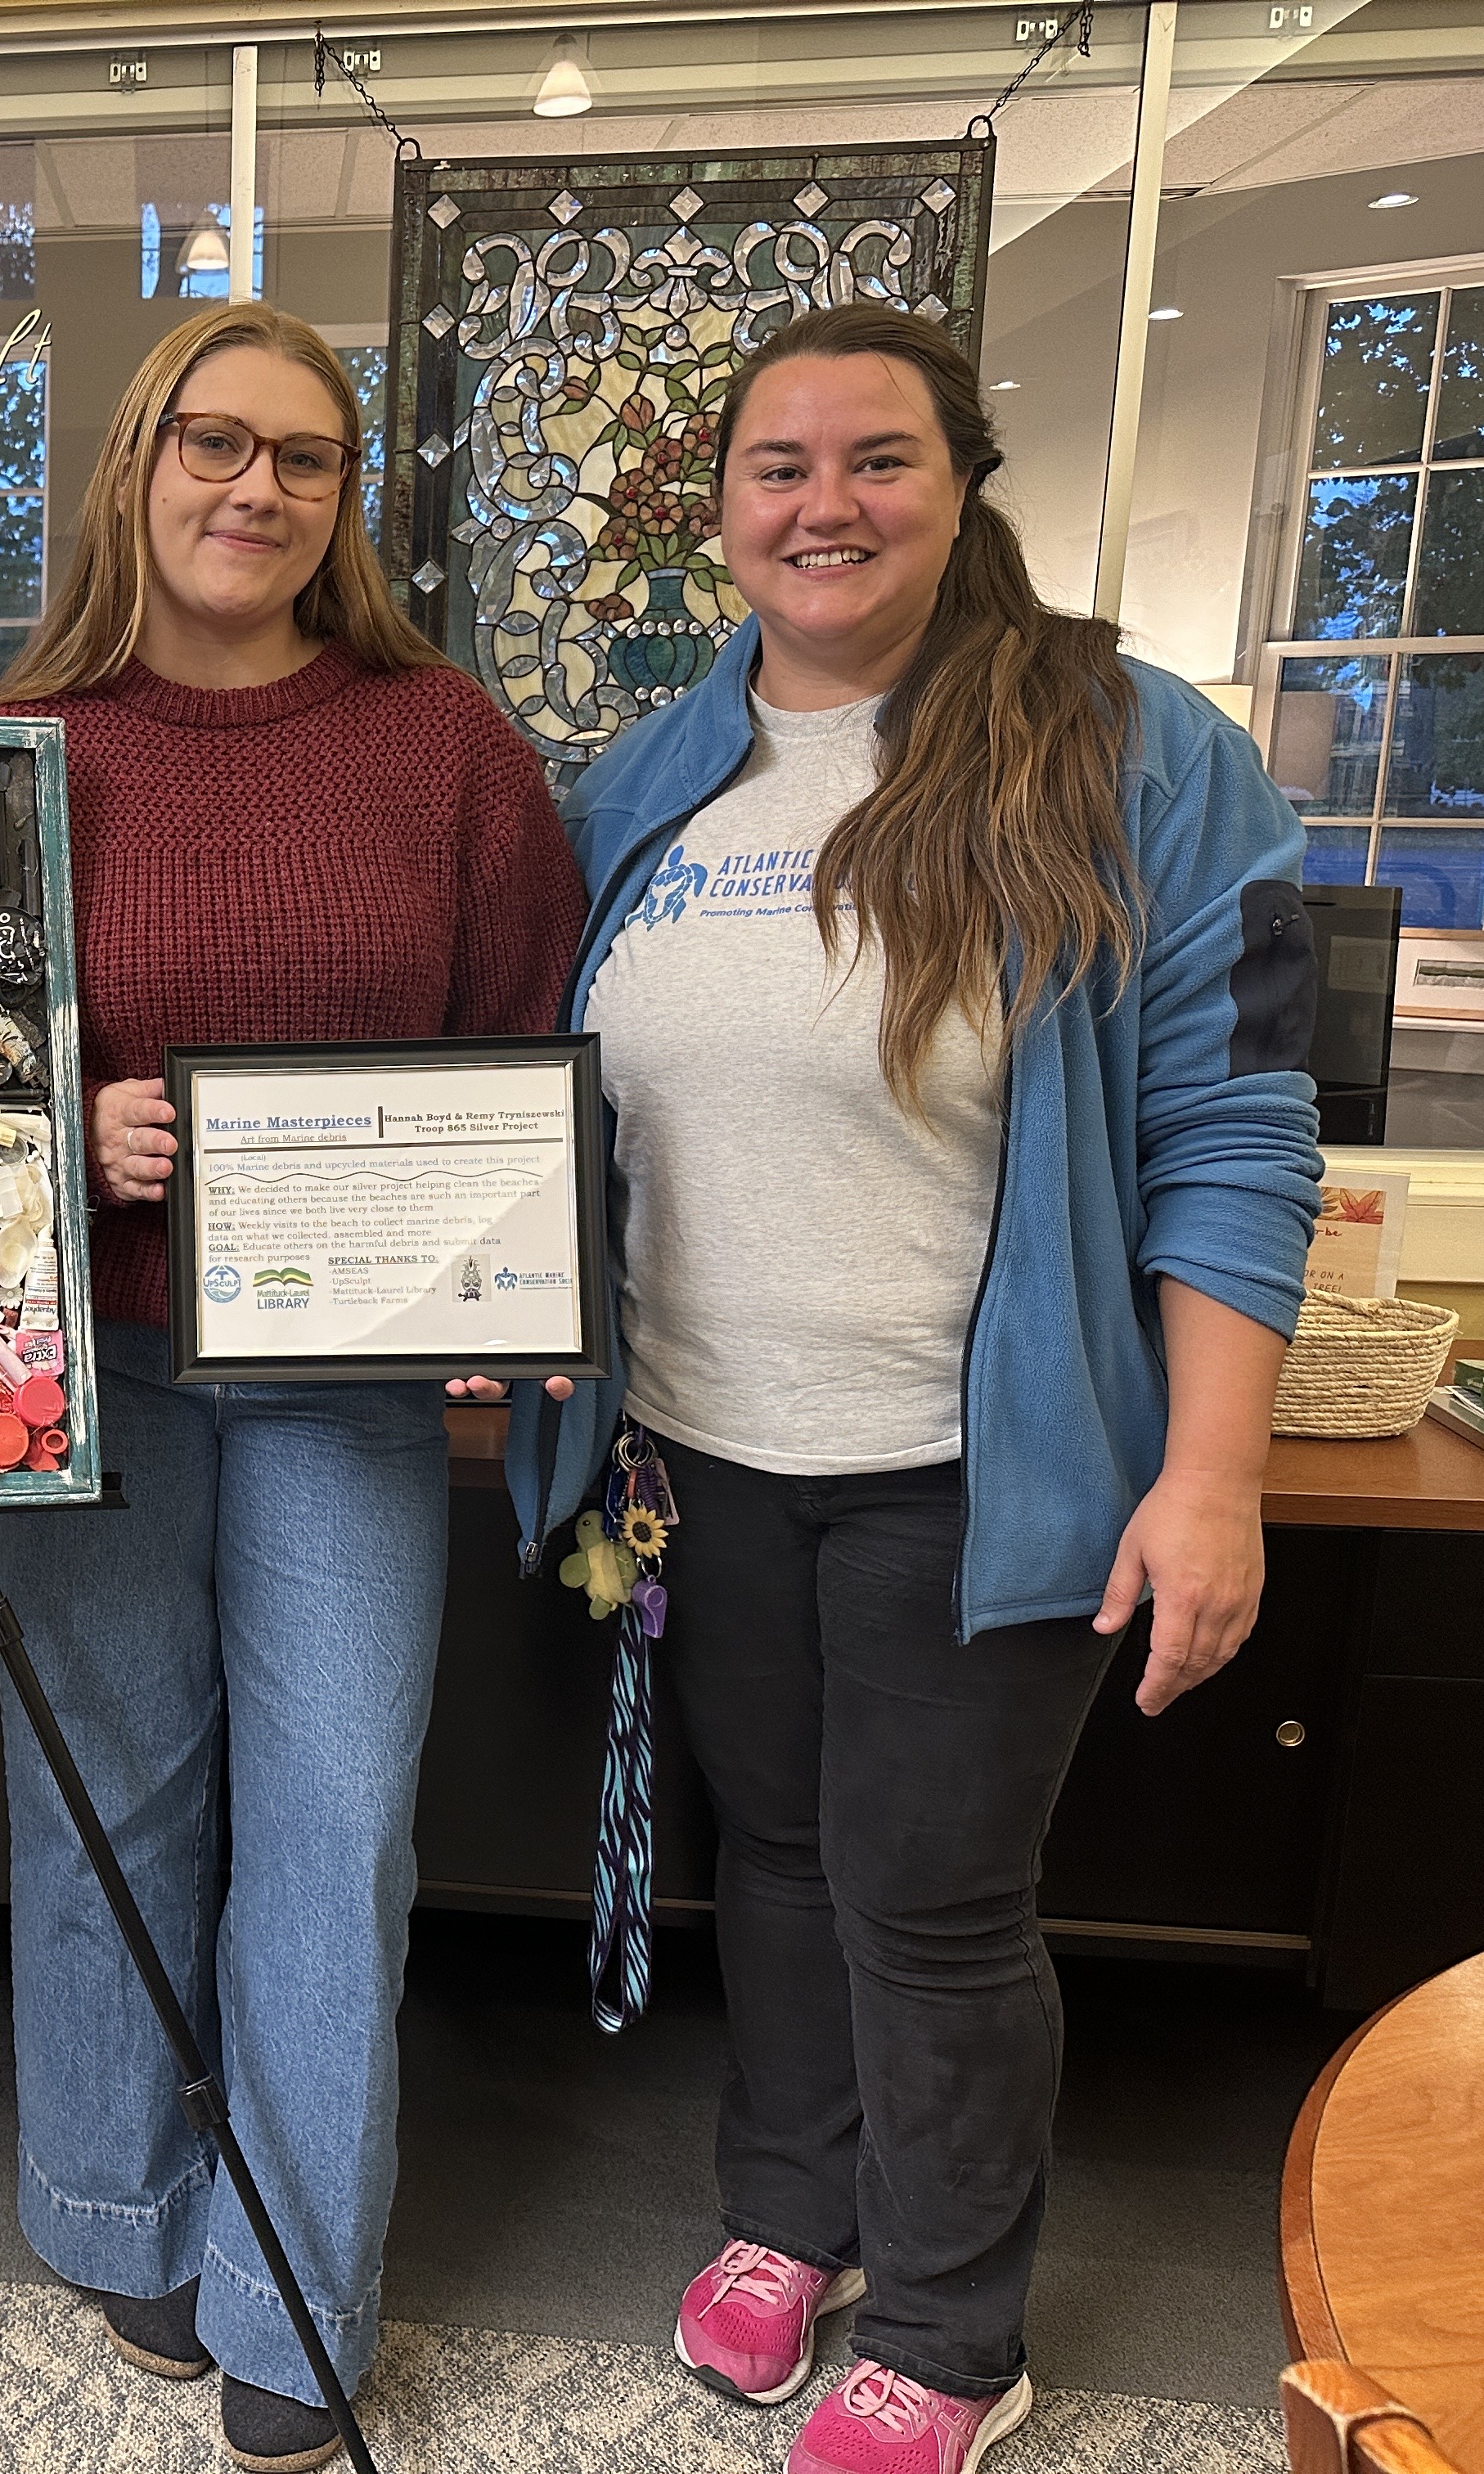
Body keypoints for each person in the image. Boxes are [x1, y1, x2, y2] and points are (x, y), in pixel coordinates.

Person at [506, 303, 1320, 2474]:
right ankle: (798, 2210)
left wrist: (1214, 1472)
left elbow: (1241, 1124)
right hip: (699, 1457)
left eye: (878, 460)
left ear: (961, 487)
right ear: (719, 515)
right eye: (780, 468)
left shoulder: (1135, 750)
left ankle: (955, 2331)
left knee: (932, 1899)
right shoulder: (649, 783)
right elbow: (560, 1118)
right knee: (771, 1855)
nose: (826, 505)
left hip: (986, 1470)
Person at [0, 300, 587, 2472]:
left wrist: (476, 1241)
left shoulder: (450, 752)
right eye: (213, 444)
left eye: (304, 460)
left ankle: (292, 2293)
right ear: (137, 464)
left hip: (337, 1385)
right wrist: (76, 1136)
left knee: (336, 1831)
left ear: (345, 503)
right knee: (108, 1810)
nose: (254, 489)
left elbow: (520, 1049)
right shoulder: (12, 746)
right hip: (93, 1377)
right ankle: (118, 2210)